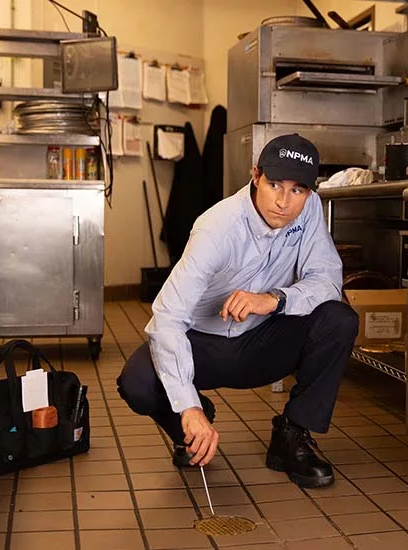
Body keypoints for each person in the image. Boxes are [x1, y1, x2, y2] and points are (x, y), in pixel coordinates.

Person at [117, 134, 359, 488]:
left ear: (309, 191)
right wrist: (188, 407)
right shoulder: (217, 227)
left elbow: (327, 281)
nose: (283, 201)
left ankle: (292, 434)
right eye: (274, 184)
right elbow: (168, 317)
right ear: (256, 176)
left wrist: (274, 299)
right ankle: (193, 428)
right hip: (203, 344)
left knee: (338, 319)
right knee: (137, 382)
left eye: (297, 190)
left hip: (264, 340)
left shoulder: (309, 210)